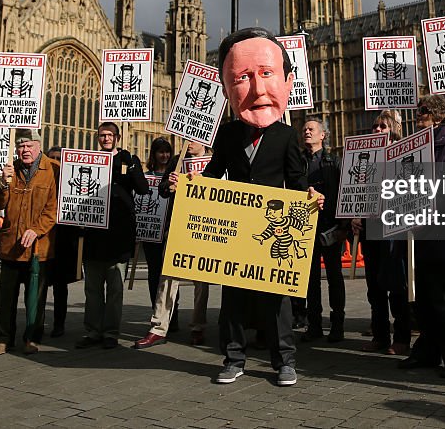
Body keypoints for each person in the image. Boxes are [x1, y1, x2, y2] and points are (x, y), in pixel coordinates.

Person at [202, 27, 321, 387]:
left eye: (266, 74)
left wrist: (311, 197)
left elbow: (297, 183)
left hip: (275, 228)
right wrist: (188, 185)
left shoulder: (286, 136)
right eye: (242, 78)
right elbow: (212, 174)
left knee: (277, 300)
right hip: (237, 229)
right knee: (234, 299)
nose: (256, 88)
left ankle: (284, 360)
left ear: (286, 82)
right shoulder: (227, 134)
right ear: (227, 88)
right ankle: (233, 358)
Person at [398, 94, 445, 379]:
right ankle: (427, 351)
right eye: (418, 111)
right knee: (426, 298)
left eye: (424, 111)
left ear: (439, 115)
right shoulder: (422, 147)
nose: (419, 115)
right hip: (423, 233)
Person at [75, 122, 148, 350]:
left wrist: (132, 165)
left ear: (117, 137)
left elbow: (143, 188)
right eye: (102, 135)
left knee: (115, 290)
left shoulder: (129, 160)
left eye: (109, 135)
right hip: (95, 237)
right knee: (93, 290)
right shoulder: (89, 161)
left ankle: (110, 333)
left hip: (119, 236)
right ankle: (93, 331)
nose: (106, 139)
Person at [134, 140, 212, 349]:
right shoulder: (177, 161)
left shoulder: (213, 162)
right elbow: (163, 191)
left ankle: (198, 326)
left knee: (201, 281)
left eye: (193, 140)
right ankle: (158, 327)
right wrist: (170, 184)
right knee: (167, 276)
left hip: (204, 227)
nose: (188, 143)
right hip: (178, 225)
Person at [0, 129, 59, 356]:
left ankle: (31, 337)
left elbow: (54, 208)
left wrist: (36, 230)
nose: (25, 150)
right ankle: (4, 338)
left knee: (35, 298)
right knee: (6, 297)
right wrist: (2, 183)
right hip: (11, 245)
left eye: (29, 146)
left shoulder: (53, 170)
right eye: (21, 147)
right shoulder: (12, 170)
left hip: (39, 248)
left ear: (38, 145)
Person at [354, 110, 411, 356]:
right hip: (370, 226)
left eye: (383, 127)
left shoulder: (405, 156)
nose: (377, 130)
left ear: (393, 131)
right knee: (374, 287)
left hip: (394, 227)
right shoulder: (363, 159)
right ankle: (380, 335)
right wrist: (355, 215)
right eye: (375, 127)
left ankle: (401, 338)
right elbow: (355, 191)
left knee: (397, 285)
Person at [300, 118, 347, 343]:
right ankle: (314, 325)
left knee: (335, 278)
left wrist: (343, 227)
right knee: (310, 280)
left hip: (330, 227)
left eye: (311, 129)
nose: (306, 132)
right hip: (306, 230)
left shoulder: (335, 162)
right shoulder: (297, 163)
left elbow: (345, 197)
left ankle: (337, 325)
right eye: (304, 129)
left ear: (323, 135)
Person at [43, 145, 80, 339]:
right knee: (39, 285)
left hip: (62, 241)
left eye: (59, 158)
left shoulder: (71, 184)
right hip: (42, 239)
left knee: (60, 286)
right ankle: (37, 323)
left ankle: (59, 323)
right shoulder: (42, 180)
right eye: (52, 158)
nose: (55, 161)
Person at [142, 138, 176, 319]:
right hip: (151, 232)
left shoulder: (177, 175)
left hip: (170, 229)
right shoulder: (146, 177)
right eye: (160, 152)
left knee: (170, 275)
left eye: (167, 152)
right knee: (154, 274)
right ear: (153, 154)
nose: (164, 155)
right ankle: (155, 311)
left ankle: (172, 315)